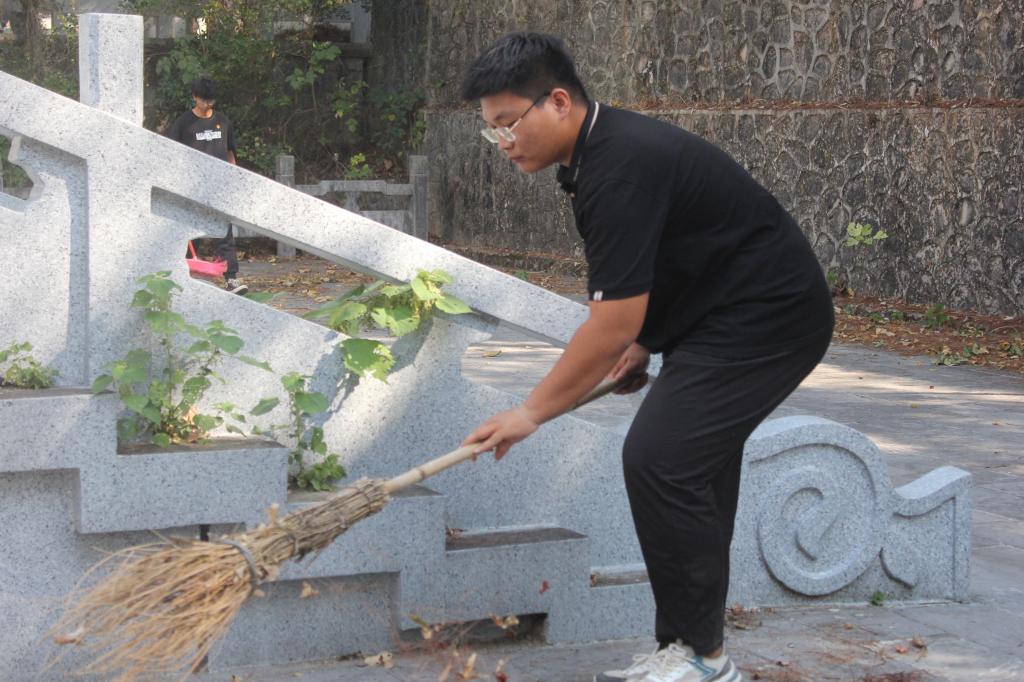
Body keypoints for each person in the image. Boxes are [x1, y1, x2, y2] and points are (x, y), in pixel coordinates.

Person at [459, 33, 834, 682]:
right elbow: (661, 266)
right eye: (492, 132)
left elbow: (608, 325)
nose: (504, 144)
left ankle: (704, 659)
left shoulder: (619, 166)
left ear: (557, 101)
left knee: (662, 460)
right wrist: (647, 342)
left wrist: (531, 412)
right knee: (687, 465)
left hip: (767, 319)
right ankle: (688, 649)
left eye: (508, 125)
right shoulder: (598, 155)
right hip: (720, 314)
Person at [166, 77, 248, 295]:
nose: (208, 105)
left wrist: (233, 176)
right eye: (203, 100)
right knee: (185, 232)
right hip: (191, 186)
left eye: (211, 101)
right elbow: (172, 154)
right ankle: (177, 278)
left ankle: (231, 279)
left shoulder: (223, 121)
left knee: (224, 233)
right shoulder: (184, 123)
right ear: (194, 97)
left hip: (219, 185)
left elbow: (231, 152)